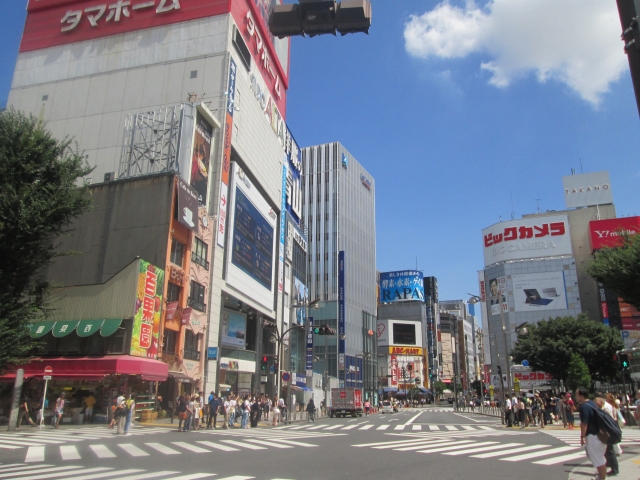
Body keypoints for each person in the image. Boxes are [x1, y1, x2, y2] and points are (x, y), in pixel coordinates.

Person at [576, 387, 608, 480]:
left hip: (593, 436)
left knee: (599, 460)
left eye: (577, 395)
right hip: (600, 435)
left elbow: (584, 423)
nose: (576, 397)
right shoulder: (592, 404)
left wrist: (582, 436)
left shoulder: (584, 407)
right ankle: (601, 477)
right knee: (599, 458)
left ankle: (602, 478)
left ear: (581, 396)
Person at [603, 393, 620, 477]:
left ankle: (614, 469)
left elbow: (610, 419)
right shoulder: (611, 406)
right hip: (612, 426)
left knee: (610, 450)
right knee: (609, 449)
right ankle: (611, 464)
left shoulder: (606, 407)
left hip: (610, 428)